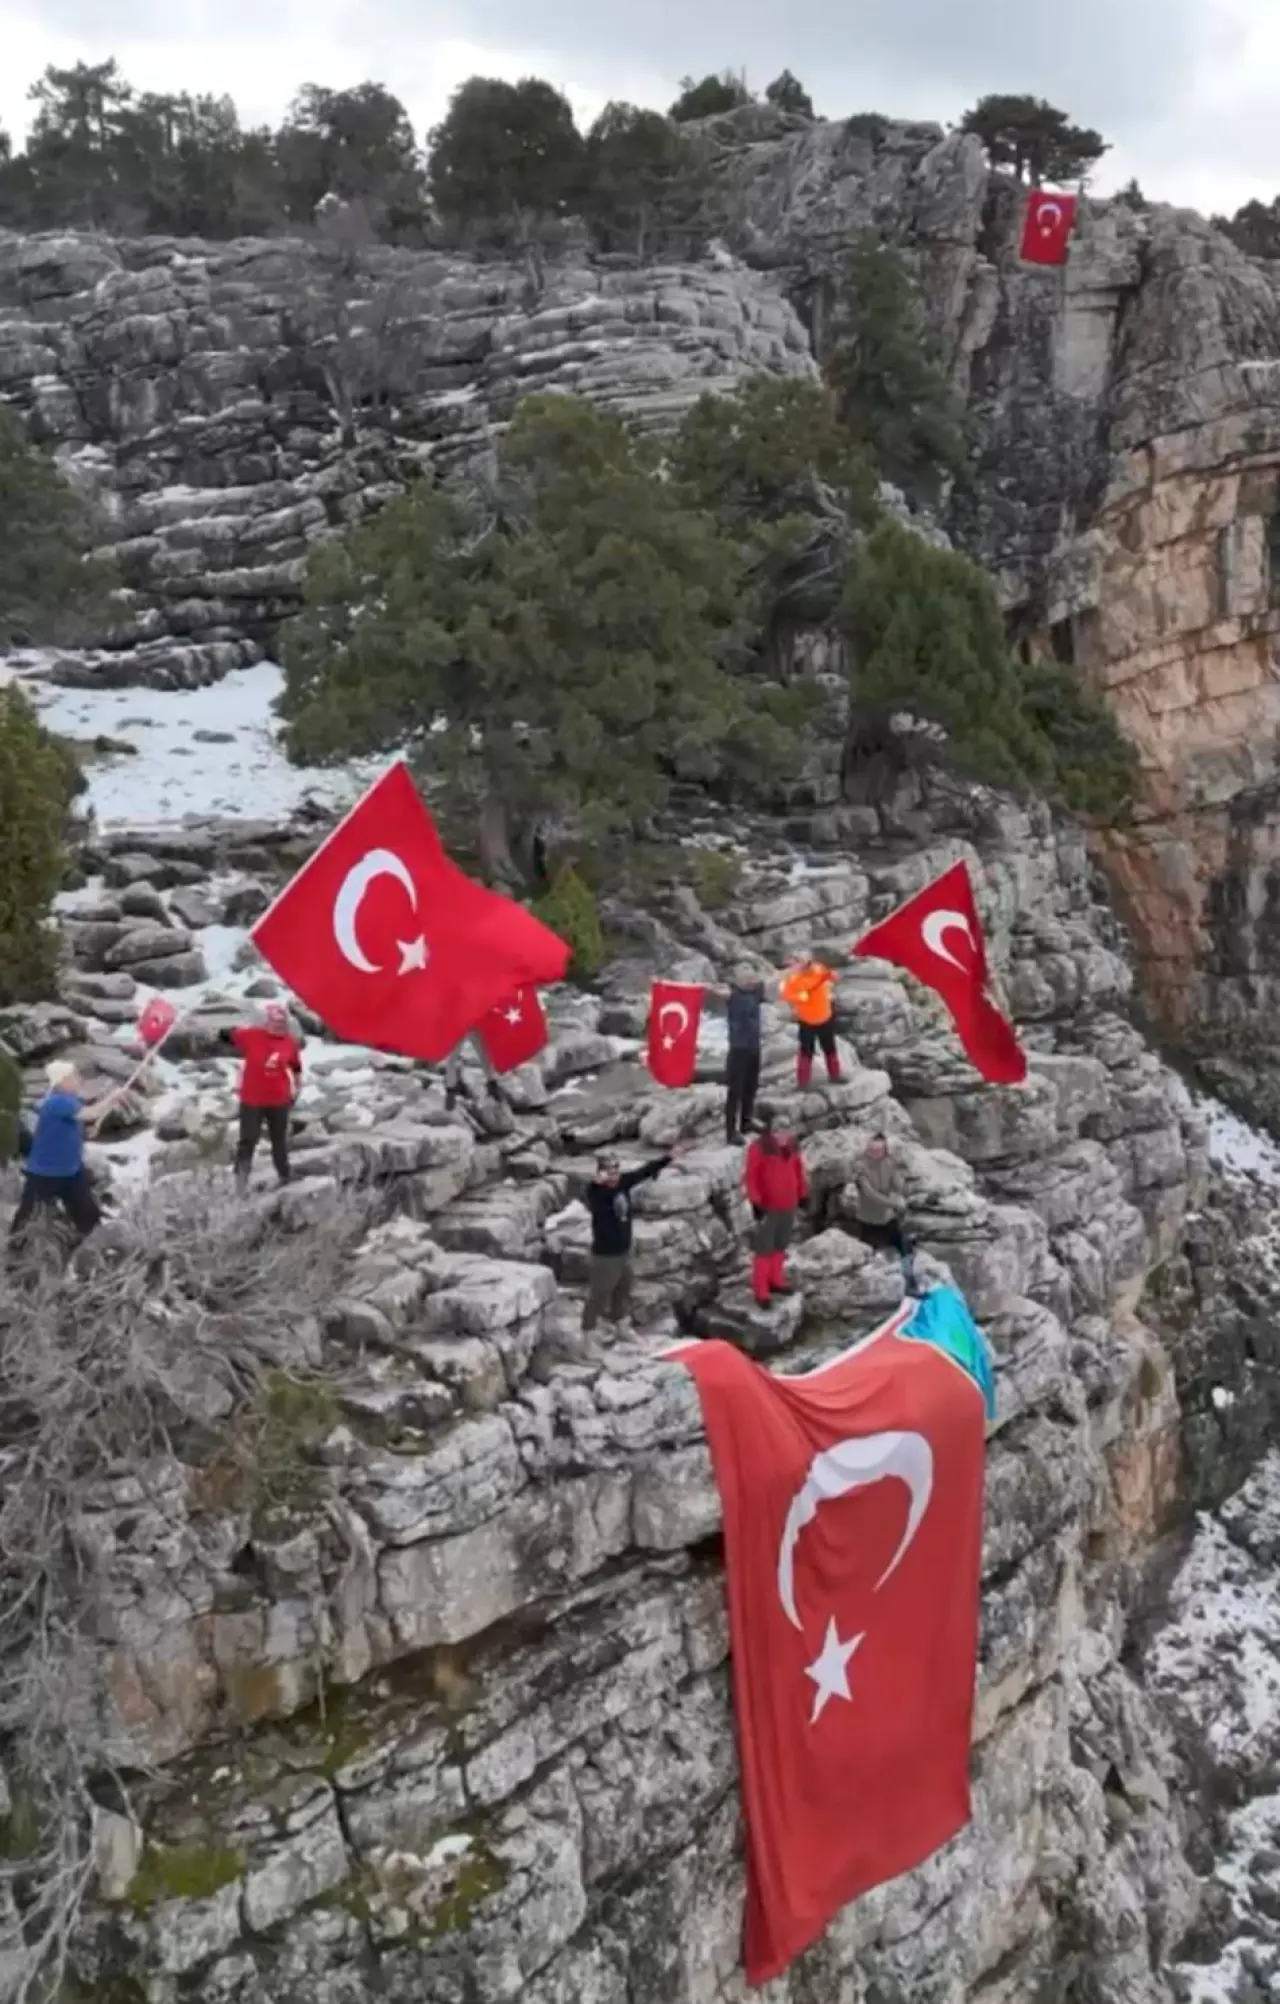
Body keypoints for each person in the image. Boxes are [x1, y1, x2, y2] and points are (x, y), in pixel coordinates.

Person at [8, 1058, 120, 1248]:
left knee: (88, 1213)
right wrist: (112, 1097)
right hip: (46, 1172)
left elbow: (74, 1125)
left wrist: (86, 1132)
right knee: (28, 1214)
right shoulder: (56, 1102)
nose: (79, 1080)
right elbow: (90, 1114)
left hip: (70, 1170)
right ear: (61, 1082)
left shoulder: (69, 1101)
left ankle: (88, 1248)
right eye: (74, 1077)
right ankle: (15, 1247)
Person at [578, 1145, 681, 1336]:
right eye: (609, 1171)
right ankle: (588, 1330)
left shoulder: (623, 1183)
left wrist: (668, 1158)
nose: (614, 1174)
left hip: (624, 1250)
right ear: (600, 1173)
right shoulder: (597, 1193)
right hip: (606, 1254)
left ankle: (621, 1324)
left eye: (616, 1169)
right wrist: (596, 1184)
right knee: (600, 1292)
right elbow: (590, 1194)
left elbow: (643, 1172)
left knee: (623, 1288)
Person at [219, 1002, 302, 1188]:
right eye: (274, 1022)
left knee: (279, 1141)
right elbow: (226, 1036)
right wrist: (224, 1032)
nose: (278, 1027)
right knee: (247, 1141)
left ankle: (285, 1176)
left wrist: (297, 1087)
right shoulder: (252, 1036)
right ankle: (240, 1183)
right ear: (267, 1022)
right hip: (252, 1100)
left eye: (282, 1023)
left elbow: (296, 1067)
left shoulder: (290, 1043)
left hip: (279, 1099)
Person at [744, 1105, 808, 1306]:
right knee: (764, 1249)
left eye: (786, 1131)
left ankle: (776, 1280)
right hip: (768, 1208)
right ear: (770, 1131)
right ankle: (761, 1291)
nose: (782, 1135)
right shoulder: (759, 1148)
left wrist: (803, 1194)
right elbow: (751, 1176)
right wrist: (756, 1202)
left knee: (781, 1244)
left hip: (788, 1205)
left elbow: (798, 1170)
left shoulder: (792, 1146)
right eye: (778, 1131)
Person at [852, 1131, 917, 1291]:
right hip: (868, 1219)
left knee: (904, 1248)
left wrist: (901, 1180)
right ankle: (867, 1290)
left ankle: (910, 1281)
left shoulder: (889, 1163)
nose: (876, 1154)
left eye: (879, 1151)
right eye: (873, 1151)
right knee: (867, 1255)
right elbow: (870, 1195)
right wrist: (893, 1203)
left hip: (887, 1218)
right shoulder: (860, 1168)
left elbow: (897, 1184)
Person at [778, 952, 842, 1088]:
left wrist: (833, 977)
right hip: (807, 1020)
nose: (792, 966)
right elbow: (785, 995)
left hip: (825, 1016)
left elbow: (829, 976)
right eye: (790, 964)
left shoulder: (818, 969)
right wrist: (799, 997)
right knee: (806, 1051)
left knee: (830, 1048)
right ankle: (803, 1083)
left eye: (795, 962)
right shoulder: (792, 979)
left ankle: (835, 1076)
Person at [723, 965, 764, 1145]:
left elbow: (776, 978)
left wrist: (798, 967)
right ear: (738, 980)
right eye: (746, 977)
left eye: (751, 976)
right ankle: (731, 1131)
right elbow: (710, 991)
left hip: (754, 1046)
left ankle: (746, 1121)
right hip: (738, 1048)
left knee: (751, 1086)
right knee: (735, 1091)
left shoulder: (757, 992)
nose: (750, 980)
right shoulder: (731, 994)